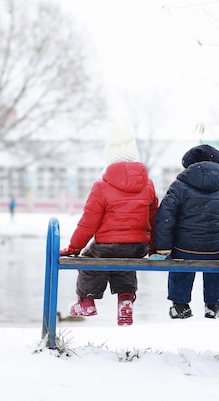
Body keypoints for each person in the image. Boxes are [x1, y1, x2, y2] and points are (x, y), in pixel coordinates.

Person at [60, 124, 158, 326]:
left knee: (90, 259)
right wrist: (154, 247)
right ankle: (125, 302)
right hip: (137, 246)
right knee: (126, 263)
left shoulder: (102, 186)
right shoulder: (147, 184)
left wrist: (74, 248)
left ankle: (86, 301)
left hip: (108, 244)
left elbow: (88, 222)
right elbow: (155, 218)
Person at [151, 144, 219, 320]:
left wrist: (163, 249)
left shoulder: (178, 187)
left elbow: (164, 218)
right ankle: (213, 305)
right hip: (214, 248)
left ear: (189, 166)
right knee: (217, 264)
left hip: (183, 248)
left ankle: (180, 305)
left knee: (180, 264)